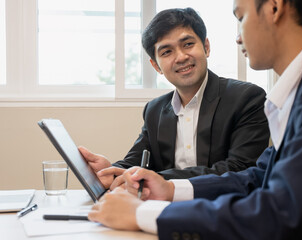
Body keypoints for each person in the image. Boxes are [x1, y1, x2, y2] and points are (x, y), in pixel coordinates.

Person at [87, 0, 302, 239]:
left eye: (241, 17)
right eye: (166, 52)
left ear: (274, 7)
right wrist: (168, 189)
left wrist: (143, 214)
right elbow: (257, 178)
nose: (238, 37)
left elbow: (281, 212)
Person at [79, 7, 269, 188]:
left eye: (188, 44)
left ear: (206, 47)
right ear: (156, 66)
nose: (180, 57)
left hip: (225, 210)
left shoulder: (247, 98)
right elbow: (135, 163)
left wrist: (158, 179)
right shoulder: (154, 110)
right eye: (167, 51)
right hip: (165, 210)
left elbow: (240, 169)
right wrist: (111, 171)